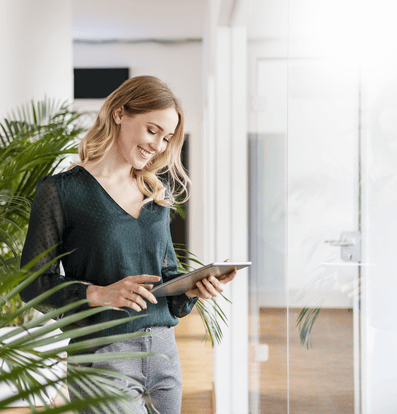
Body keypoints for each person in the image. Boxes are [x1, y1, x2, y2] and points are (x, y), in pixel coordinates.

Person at [19, 75, 236, 414]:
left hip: (164, 353)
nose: (159, 146)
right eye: (152, 131)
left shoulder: (155, 196)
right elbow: (32, 284)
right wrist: (99, 293)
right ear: (119, 113)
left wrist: (193, 290)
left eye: (166, 138)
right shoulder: (61, 191)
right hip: (105, 355)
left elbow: (164, 284)